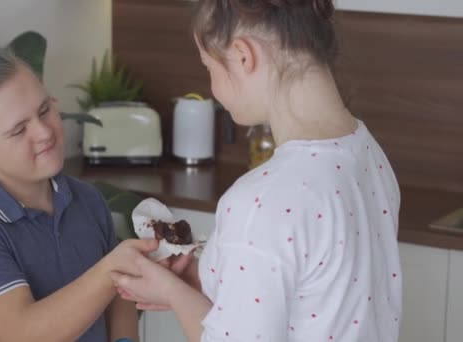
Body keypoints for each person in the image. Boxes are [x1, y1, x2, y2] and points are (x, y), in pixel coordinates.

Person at [111, 0, 402, 341]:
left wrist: (174, 294)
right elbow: (318, 298)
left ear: (243, 55)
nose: (212, 87)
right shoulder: (368, 153)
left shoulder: (261, 201)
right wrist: (212, 278)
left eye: (209, 67)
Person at [0, 43, 157, 342]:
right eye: (19, 130)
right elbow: (27, 333)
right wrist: (113, 266)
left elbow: (117, 296)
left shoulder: (87, 199)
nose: (45, 132)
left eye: (45, 110)